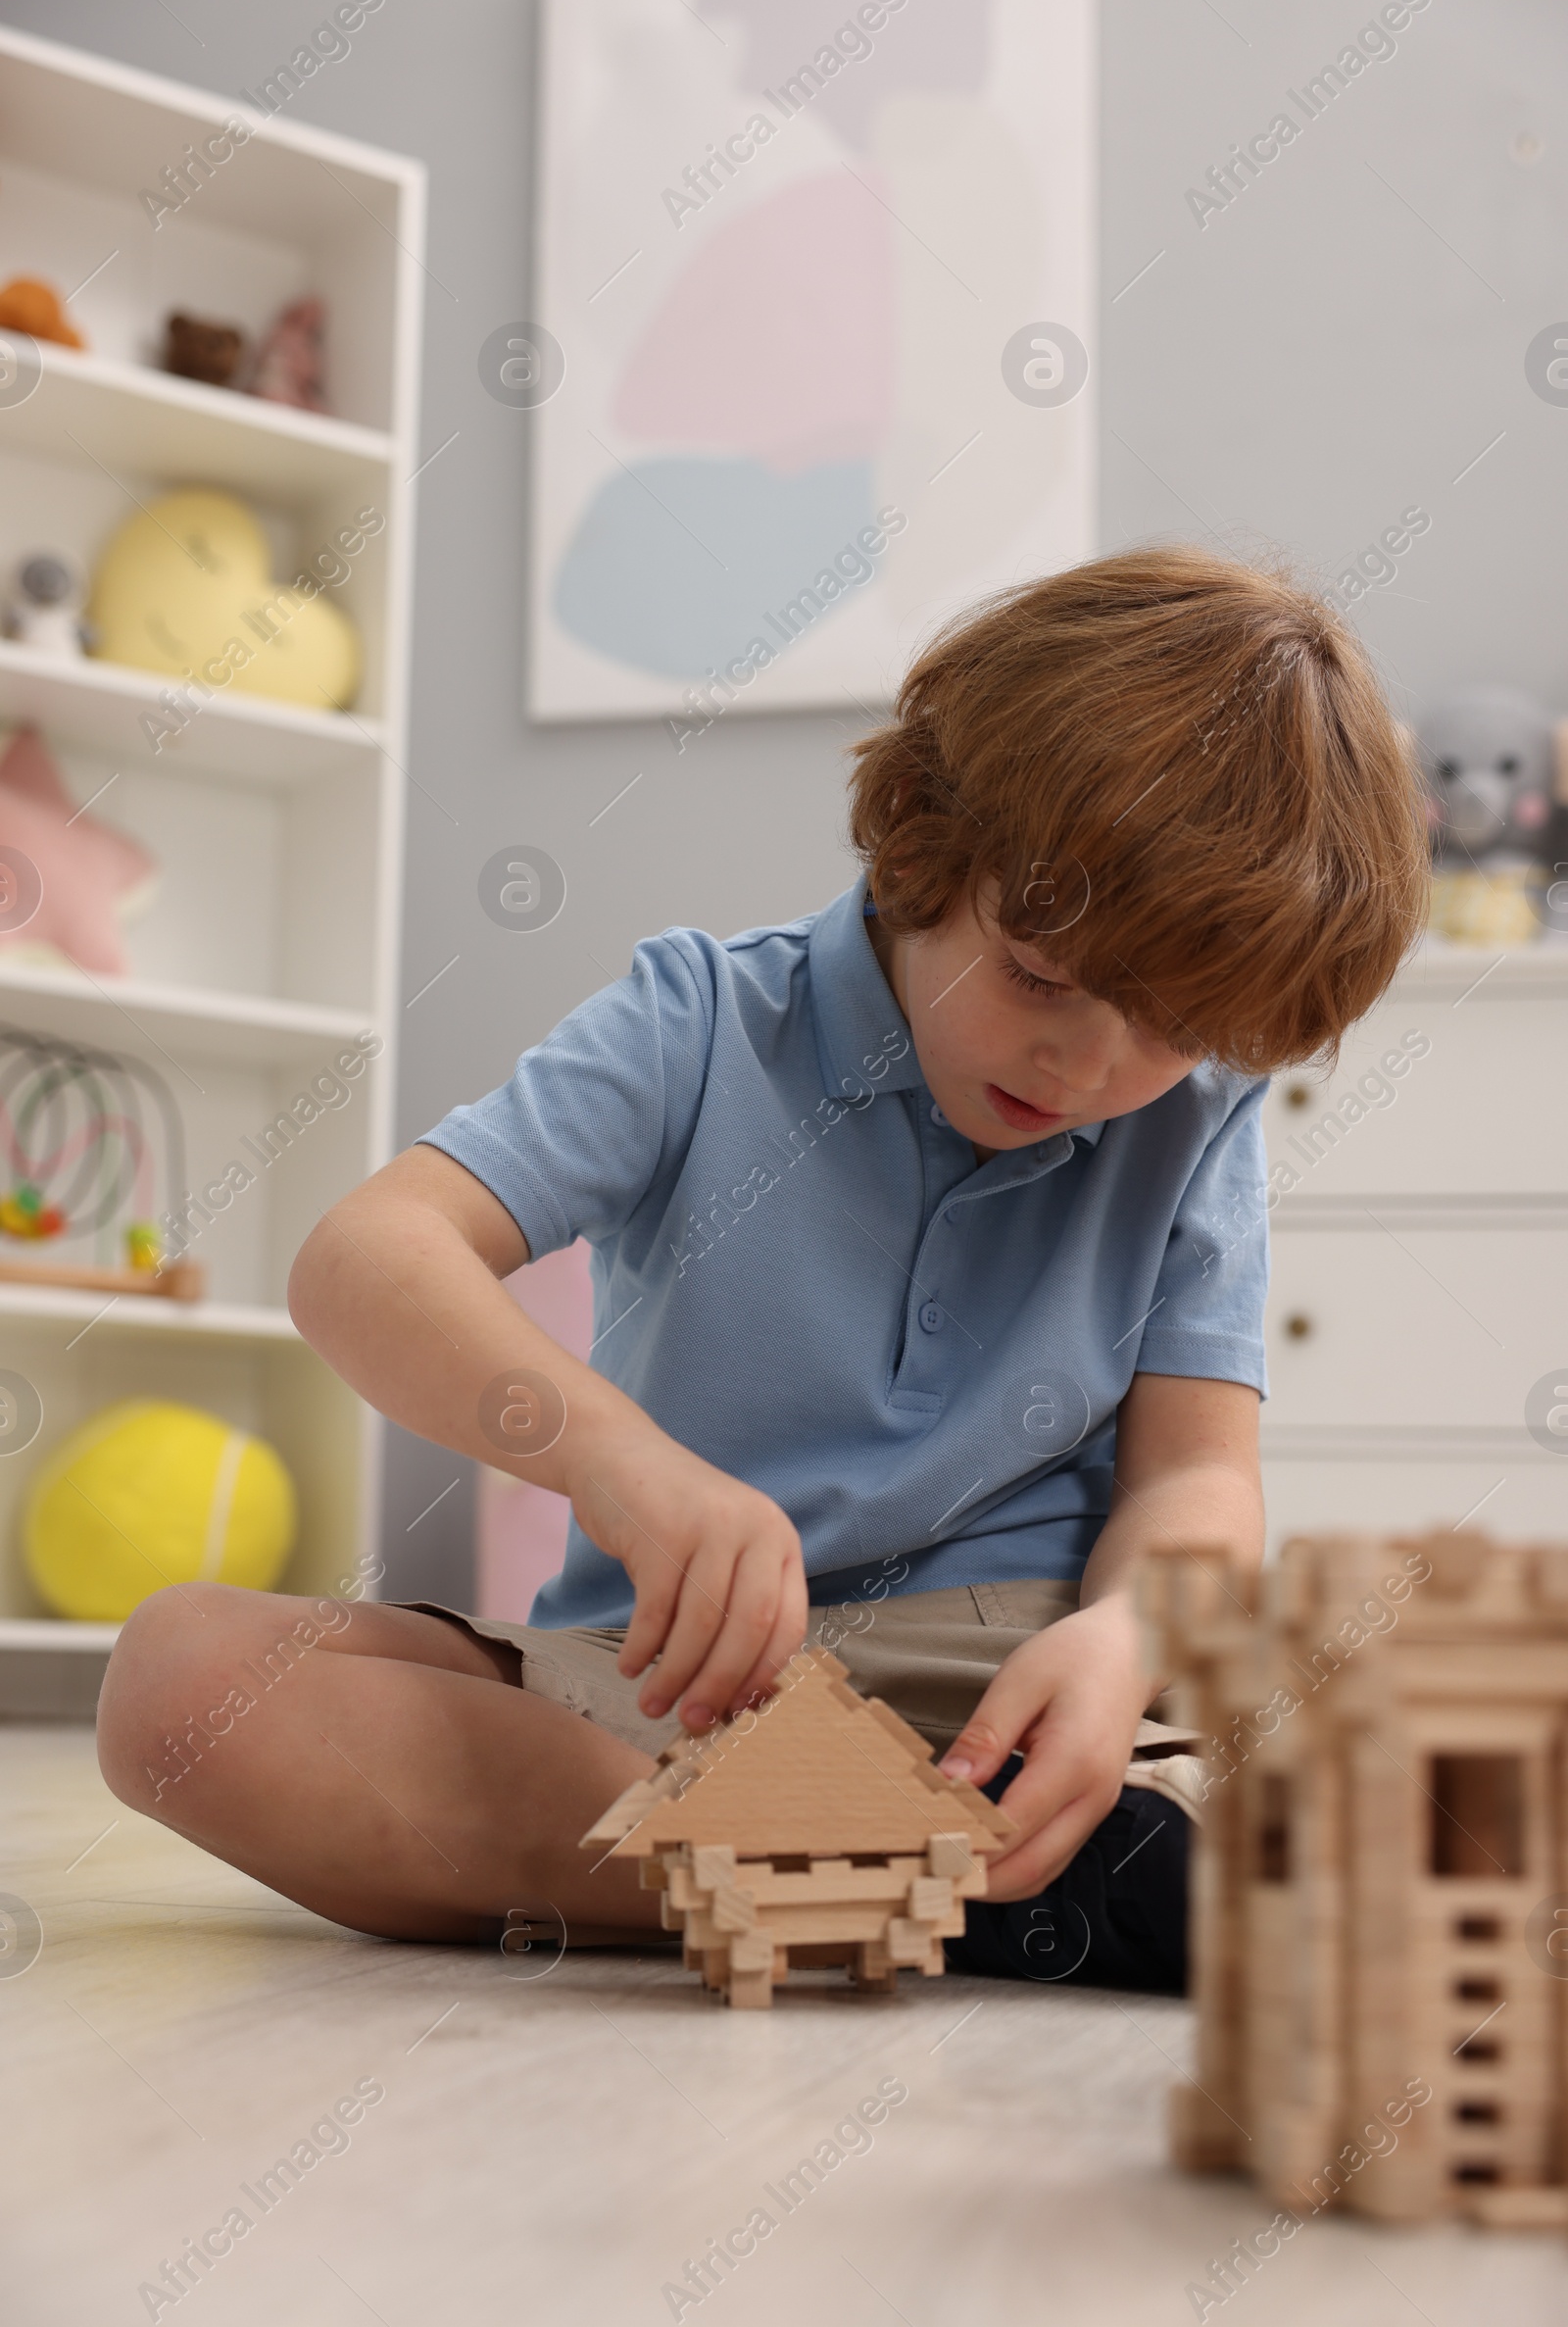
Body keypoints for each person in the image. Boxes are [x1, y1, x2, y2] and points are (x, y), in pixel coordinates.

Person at [96, 545, 1427, 1992]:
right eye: (1040, 979)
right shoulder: (704, 1021)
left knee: (1445, 1718)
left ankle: (898, 1866)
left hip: (1033, 1703)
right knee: (184, 1685)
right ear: (923, 836)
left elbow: (1195, 1481)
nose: (1089, 1063)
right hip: (672, 1688)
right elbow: (366, 1259)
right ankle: (963, 1893)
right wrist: (619, 1464)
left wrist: (1126, 1638)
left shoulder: (1194, 1118)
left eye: (1164, 1027)